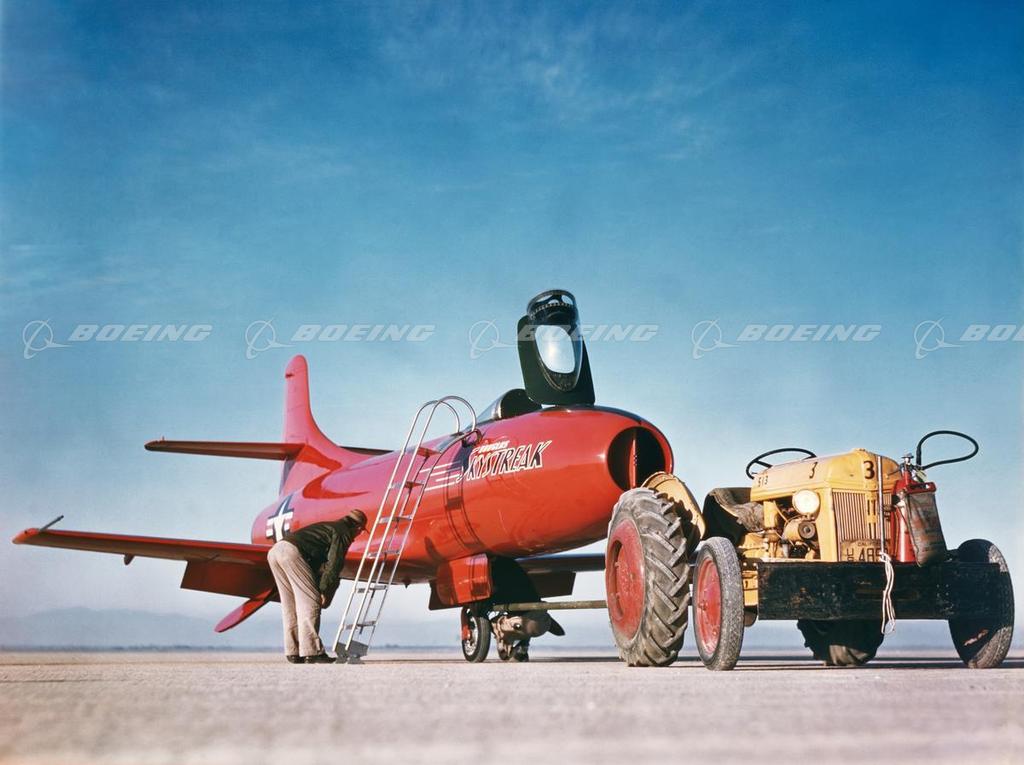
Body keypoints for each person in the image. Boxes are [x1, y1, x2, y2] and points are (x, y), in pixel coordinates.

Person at [267, 509, 367, 663]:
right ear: (358, 527)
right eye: (360, 532)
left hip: (275, 551)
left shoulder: (331, 527)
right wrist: (324, 590)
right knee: (311, 602)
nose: (357, 536)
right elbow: (334, 564)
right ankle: (312, 652)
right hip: (292, 552)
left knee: (290, 605)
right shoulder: (343, 532)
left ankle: (293, 651)